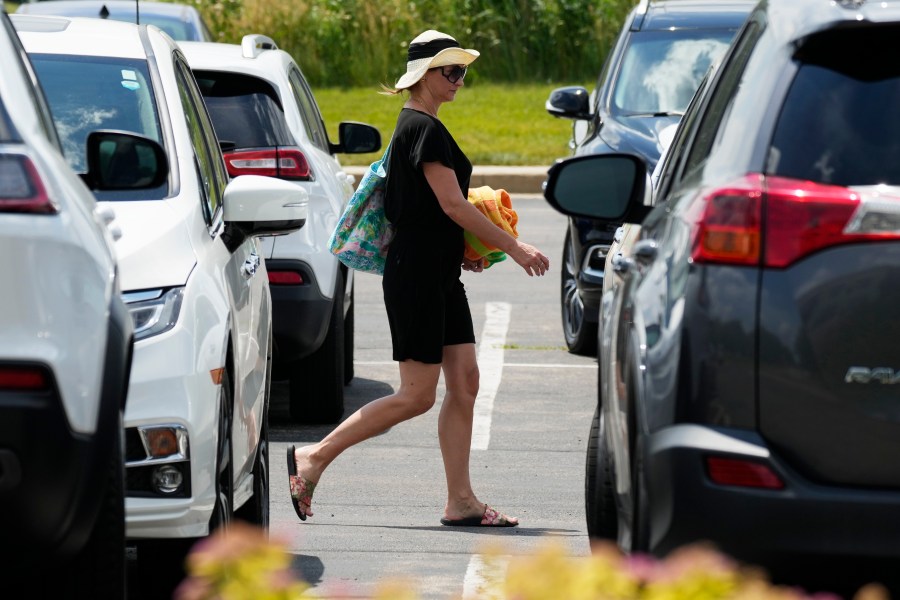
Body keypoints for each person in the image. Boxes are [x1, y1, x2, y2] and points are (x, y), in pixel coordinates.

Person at [287, 29, 550, 528]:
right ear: (424, 74)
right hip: (416, 276)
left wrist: (463, 252)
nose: (458, 81)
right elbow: (452, 204)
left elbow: (437, 211)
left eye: (462, 72)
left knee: (466, 382)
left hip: (437, 272)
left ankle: (462, 500)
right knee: (416, 394)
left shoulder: (421, 126)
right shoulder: (421, 129)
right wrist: (513, 247)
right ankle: (314, 458)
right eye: (450, 71)